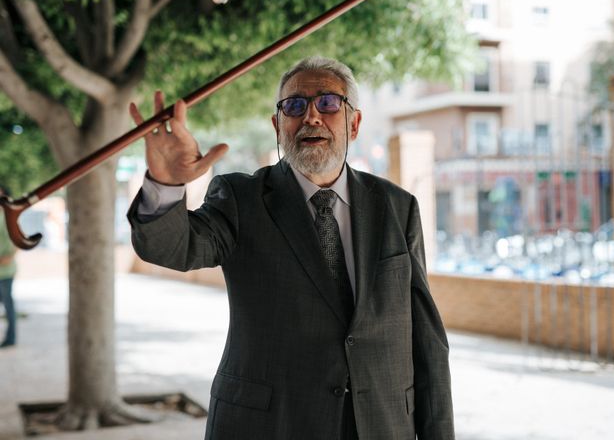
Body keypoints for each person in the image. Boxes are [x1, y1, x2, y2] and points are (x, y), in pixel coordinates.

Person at [127, 56, 454, 440]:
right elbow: (175, 247)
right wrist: (165, 185)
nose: (312, 117)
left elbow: (426, 340)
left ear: (355, 123)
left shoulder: (397, 206)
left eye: (329, 103)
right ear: (277, 125)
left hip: (380, 425)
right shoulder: (240, 198)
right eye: (294, 106)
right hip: (270, 424)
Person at [0, 184, 18, 348]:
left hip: (5, 269)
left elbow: (17, 239)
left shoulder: (8, 215)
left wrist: (8, 257)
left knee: (8, 305)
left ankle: (11, 338)